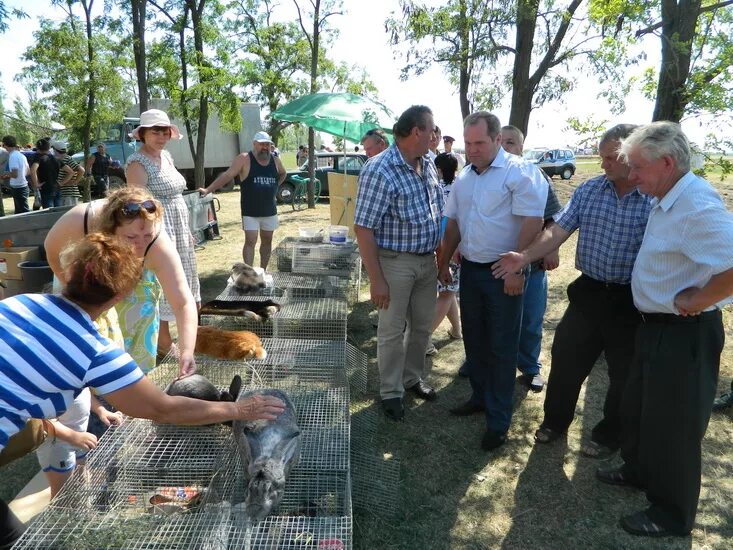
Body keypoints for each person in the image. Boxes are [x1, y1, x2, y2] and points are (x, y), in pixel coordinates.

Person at [0, 234, 286, 548]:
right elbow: (163, 409)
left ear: (70, 274)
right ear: (121, 294)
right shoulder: (93, 350)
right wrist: (237, 410)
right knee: (15, 540)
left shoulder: (19, 303)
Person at [593, 122, 733, 538]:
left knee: (674, 424)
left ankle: (672, 513)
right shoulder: (667, 195)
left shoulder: (695, 205)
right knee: (639, 408)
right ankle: (639, 471)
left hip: (684, 333)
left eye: (637, 167)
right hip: (654, 327)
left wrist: (701, 299)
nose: (631, 176)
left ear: (667, 163)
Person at [493, 124, 648, 458]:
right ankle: (554, 423)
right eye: (603, 155)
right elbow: (557, 230)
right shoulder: (590, 190)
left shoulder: (653, 197)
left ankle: (609, 435)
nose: (603, 163)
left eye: (611, 157)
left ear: (634, 157)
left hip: (631, 300)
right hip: (589, 293)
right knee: (565, 361)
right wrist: (524, 256)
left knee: (623, 374)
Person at [440, 111, 546, 451]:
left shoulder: (520, 174)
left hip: (504, 272)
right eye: (468, 143)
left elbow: (533, 221)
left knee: (502, 347)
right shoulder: (464, 179)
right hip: (470, 270)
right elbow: (453, 223)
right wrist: (443, 262)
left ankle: (498, 420)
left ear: (497, 140)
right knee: (475, 339)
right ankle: (480, 398)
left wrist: (517, 268)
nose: (472, 150)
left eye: (479, 143)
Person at [45, 187, 199, 376]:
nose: (140, 244)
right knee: (82, 347)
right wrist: (79, 294)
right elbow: (51, 251)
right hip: (83, 275)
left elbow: (182, 302)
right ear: (110, 230)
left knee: (130, 359)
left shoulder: (157, 245)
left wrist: (187, 352)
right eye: (131, 237)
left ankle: (132, 379)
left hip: (137, 291)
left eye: (147, 236)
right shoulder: (80, 220)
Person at [354, 105, 444, 422]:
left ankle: (411, 379)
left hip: (427, 261)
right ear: (416, 131)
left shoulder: (429, 160)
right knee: (392, 331)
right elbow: (363, 228)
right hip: (394, 263)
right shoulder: (380, 170)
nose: (435, 135)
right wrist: (376, 280)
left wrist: (442, 258)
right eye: (431, 129)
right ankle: (391, 391)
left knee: (421, 327)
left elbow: (437, 210)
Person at [126, 109, 201, 357]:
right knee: (163, 281)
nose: (161, 136)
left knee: (183, 278)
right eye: (155, 131)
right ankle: (164, 344)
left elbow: (177, 194)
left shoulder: (166, 156)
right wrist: (153, 236)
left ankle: (185, 336)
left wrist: (187, 230)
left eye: (165, 131)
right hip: (158, 227)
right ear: (143, 134)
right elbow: (137, 205)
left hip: (179, 226)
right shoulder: (137, 163)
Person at [500, 125, 563, 392]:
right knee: (492, 320)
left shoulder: (536, 176)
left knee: (530, 319)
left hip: (531, 266)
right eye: (500, 142)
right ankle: (481, 361)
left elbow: (553, 219)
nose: (505, 148)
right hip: (493, 266)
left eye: (511, 143)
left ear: (521, 148)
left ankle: (529, 367)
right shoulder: (480, 176)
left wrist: (552, 249)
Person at [198, 131, 287, 270]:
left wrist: (275, 186)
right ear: (254, 144)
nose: (265, 147)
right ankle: (248, 273)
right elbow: (227, 175)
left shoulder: (275, 161)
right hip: (250, 210)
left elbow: (283, 173)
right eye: (262, 144)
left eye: (267, 144)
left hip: (270, 210)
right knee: (251, 241)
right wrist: (208, 189)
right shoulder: (244, 159)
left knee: (267, 241)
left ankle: (263, 271)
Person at [426, 151, 462, 356]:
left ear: (438, 169)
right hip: (451, 248)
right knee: (448, 291)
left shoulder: (435, 189)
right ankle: (423, 339)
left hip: (441, 247)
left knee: (448, 290)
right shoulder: (459, 187)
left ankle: (456, 330)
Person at [1, 135, 31, 214]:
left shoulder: (13, 156)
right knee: (19, 212)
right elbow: (28, 171)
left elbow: (14, 174)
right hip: (23, 186)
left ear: (5, 145)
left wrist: (4, 173)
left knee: (24, 212)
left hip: (19, 188)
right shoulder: (21, 155)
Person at [52, 140, 85, 207]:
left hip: (69, 193)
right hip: (64, 192)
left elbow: (81, 170)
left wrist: (75, 182)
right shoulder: (60, 159)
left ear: (55, 150)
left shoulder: (67, 159)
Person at [30, 138, 61, 208]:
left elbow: (33, 170)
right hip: (56, 187)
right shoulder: (55, 158)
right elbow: (70, 171)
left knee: (48, 213)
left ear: (38, 147)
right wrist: (62, 182)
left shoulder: (39, 158)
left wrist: (36, 184)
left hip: (46, 188)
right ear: (49, 147)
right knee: (58, 212)